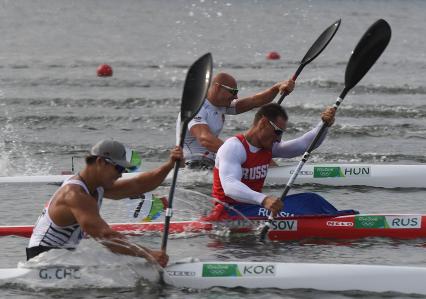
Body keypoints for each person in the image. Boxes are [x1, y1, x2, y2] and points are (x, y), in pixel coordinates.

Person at [26, 139, 183, 267]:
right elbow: (106, 236)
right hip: (43, 259)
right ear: (101, 162)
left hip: (62, 256)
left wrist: (169, 165)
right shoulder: (75, 195)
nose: (121, 175)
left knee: (123, 262)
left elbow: (139, 185)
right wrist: (149, 254)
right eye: (119, 168)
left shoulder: (95, 187)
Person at [205, 103, 336, 220]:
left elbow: (304, 144)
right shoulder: (233, 147)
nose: (279, 139)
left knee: (310, 200)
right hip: (228, 213)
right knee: (305, 205)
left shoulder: (268, 146)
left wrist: (324, 125)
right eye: (278, 132)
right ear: (263, 123)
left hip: (253, 209)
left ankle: (340, 218)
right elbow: (230, 186)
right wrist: (264, 199)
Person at [181, 72, 295, 169]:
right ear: (217, 87)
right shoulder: (195, 108)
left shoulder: (220, 105)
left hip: (210, 163)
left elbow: (255, 101)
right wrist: (243, 153)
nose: (236, 97)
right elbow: (205, 139)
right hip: (193, 167)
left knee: (264, 154)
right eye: (233, 91)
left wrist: (277, 87)